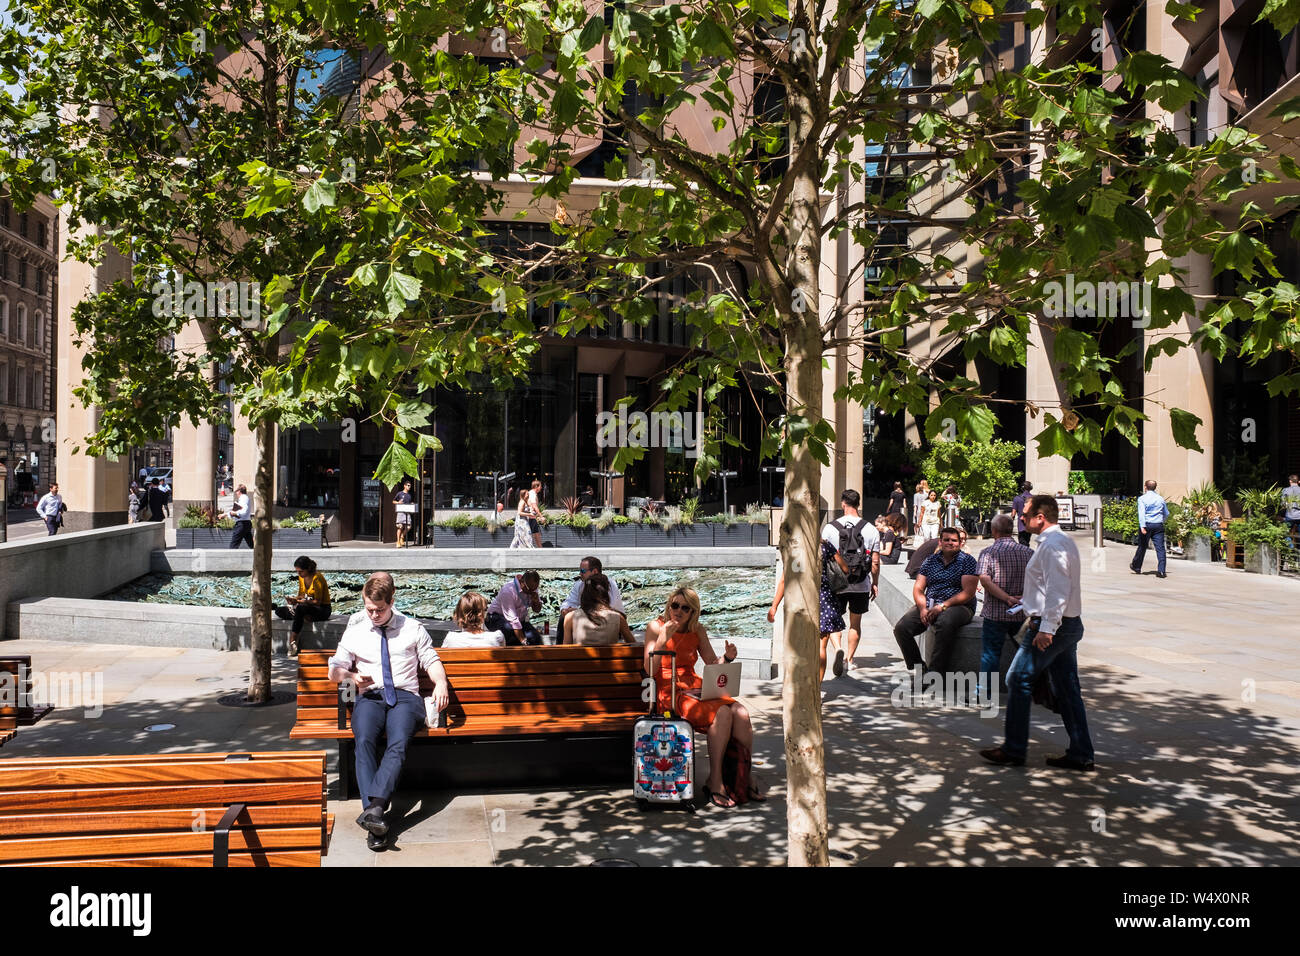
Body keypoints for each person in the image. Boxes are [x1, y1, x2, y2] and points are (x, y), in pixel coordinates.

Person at [328, 573, 449, 850]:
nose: (373, 615)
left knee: (398, 741)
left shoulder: (412, 628)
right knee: (363, 740)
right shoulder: (356, 630)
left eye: (379, 610)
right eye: (369, 609)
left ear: (392, 601)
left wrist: (441, 683)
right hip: (369, 697)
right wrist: (350, 676)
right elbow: (333, 671)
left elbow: (431, 660)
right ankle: (375, 815)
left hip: (405, 697)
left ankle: (375, 811)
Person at [980, 495, 1094, 771]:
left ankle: (1014, 749)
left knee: (1018, 678)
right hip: (1062, 624)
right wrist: (1029, 600)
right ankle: (1081, 752)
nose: (1020, 517)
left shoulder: (1053, 545)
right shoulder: (1058, 542)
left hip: (1053, 626)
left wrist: (1047, 628)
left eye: (1026, 514)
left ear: (1040, 518)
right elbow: (1050, 587)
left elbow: (1058, 590)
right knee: (1067, 687)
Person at [648, 586, 759, 809]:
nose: (678, 611)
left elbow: (712, 664)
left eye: (685, 608)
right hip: (669, 690)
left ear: (693, 612)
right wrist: (662, 640)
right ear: (669, 605)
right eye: (675, 605)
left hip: (694, 685)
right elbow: (649, 670)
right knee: (723, 713)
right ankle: (715, 780)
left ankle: (743, 776)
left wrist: (727, 658)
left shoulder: (697, 630)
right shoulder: (656, 627)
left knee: (741, 712)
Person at [893, 526, 979, 675]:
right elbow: (918, 588)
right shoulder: (930, 560)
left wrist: (942, 606)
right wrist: (922, 608)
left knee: (944, 622)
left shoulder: (967, 561)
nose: (950, 543)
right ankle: (920, 668)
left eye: (954, 540)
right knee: (902, 628)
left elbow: (968, 593)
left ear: (960, 543)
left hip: (959, 605)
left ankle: (935, 674)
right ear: (940, 542)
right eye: (946, 540)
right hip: (930, 603)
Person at [820, 489, 880, 677]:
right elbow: (875, 562)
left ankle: (838, 647)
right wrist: (874, 582)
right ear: (858, 504)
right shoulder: (871, 529)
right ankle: (849, 660)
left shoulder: (830, 528)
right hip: (861, 583)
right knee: (855, 623)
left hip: (836, 583)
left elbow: (823, 556)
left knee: (833, 621)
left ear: (843, 503)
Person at [975, 514, 1032, 703]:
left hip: (995, 613)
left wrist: (1006, 598)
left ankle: (984, 694)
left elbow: (985, 580)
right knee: (1026, 653)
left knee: (990, 655)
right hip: (1023, 613)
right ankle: (1032, 690)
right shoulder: (1029, 552)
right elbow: (1039, 580)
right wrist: (1022, 597)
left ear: (994, 531)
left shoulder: (987, 553)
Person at [274, 555, 332, 656]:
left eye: (301, 571)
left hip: (322, 609)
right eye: (297, 571)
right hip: (307, 607)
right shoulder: (301, 578)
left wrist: (301, 602)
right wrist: (294, 600)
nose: (299, 574)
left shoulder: (317, 578)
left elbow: (318, 602)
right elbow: (301, 595)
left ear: (308, 568)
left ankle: (293, 640)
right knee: (279, 610)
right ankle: (304, 617)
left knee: (300, 609)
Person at [564, 573, 634, 645]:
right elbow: (634, 645)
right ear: (606, 593)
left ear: (585, 592)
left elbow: (566, 647)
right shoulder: (618, 617)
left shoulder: (570, 617)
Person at [558, 556, 625, 631]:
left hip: (610, 619)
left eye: (583, 571)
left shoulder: (609, 584)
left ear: (595, 571)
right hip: (589, 617)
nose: (580, 573)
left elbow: (609, 608)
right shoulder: (580, 584)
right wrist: (564, 610)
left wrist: (579, 611)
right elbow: (570, 601)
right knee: (563, 618)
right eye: (580, 570)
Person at [486, 570, 544, 645]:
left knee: (535, 637)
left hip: (519, 620)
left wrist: (536, 601)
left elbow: (537, 610)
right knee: (512, 635)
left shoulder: (531, 588)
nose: (531, 592)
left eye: (535, 589)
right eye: (529, 590)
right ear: (522, 582)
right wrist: (523, 641)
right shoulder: (508, 591)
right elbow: (513, 620)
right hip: (496, 618)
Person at [1131, 479, 1169, 578]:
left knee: (1142, 546)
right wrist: (1161, 520)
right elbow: (1166, 513)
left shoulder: (1142, 499)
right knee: (1160, 548)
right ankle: (1161, 571)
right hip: (1158, 525)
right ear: (1155, 487)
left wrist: (1142, 526)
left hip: (1147, 525)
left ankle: (1136, 566)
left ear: (1145, 487)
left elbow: (1141, 514)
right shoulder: (1160, 499)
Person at [441, 591, 507, 648]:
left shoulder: (451, 639)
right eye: (485, 609)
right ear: (482, 614)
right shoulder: (497, 637)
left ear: (458, 614)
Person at [226, 483, 253, 549]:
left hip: (242, 524)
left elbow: (243, 511)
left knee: (233, 545)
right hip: (246, 523)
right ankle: (259, 554)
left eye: (236, 491)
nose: (236, 493)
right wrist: (226, 514)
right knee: (251, 545)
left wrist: (235, 513)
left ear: (239, 491)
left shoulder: (243, 498)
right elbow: (238, 511)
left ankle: (231, 556)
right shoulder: (244, 498)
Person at [1011, 481, 1034, 546]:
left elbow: (1013, 514)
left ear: (1022, 488)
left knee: (1022, 543)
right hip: (1030, 525)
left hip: (1021, 525)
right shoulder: (1033, 498)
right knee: (1027, 541)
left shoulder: (1017, 498)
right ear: (1031, 488)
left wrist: (1010, 523)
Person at [392, 479, 413, 549]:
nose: (409, 487)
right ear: (404, 486)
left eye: (410, 486)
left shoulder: (409, 495)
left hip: (407, 512)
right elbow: (393, 501)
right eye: (408, 485)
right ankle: (398, 541)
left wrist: (411, 504)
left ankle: (402, 536)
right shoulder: (400, 493)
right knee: (400, 527)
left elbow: (409, 502)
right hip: (401, 512)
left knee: (408, 527)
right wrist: (398, 502)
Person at [526, 479, 545, 548]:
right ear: (536, 486)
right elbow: (534, 506)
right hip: (530, 517)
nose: (541, 488)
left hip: (532, 517)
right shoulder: (532, 494)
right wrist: (541, 516)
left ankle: (540, 549)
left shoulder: (532, 493)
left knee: (536, 534)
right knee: (530, 535)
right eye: (540, 486)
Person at [1285, 474, 1300, 543]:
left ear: (1290, 481)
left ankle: (1290, 547)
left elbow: (1283, 503)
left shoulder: (1286, 490)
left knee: (1286, 533)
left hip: (1290, 515)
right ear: (1298, 481)